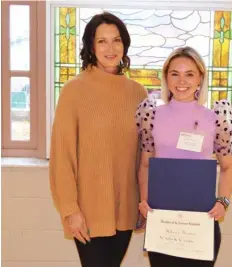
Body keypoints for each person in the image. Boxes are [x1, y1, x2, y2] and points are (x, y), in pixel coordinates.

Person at [49, 12, 147, 267]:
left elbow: (143, 156)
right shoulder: (74, 90)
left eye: (116, 40)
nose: (110, 48)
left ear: (124, 44)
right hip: (87, 211)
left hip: (125, 209)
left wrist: (143, 201)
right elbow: (62, 157)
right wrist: (70, 210)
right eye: (102, 41)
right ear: (91, 46)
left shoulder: (138, 93)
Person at [135, 46, 232, 267]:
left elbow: (228, 168)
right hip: (163, 221)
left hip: (201, 221)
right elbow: (145, 164)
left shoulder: (216, 118)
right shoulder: (150, 115)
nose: (182, 81)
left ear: (200, 77)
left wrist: (223, 201)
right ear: (166, 77)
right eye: (175, 73)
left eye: (189, 74)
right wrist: (144, 199)